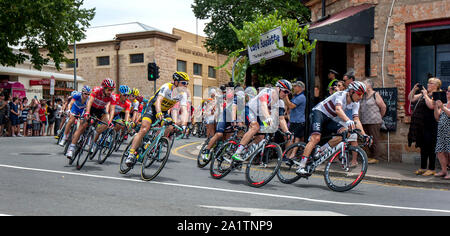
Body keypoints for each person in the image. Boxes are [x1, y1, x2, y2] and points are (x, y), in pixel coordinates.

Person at [296, 81, 371, 175]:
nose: (360, 97)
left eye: (362, 95)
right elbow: (338, 109)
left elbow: (357, 120)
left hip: (331, 118)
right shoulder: (341, 95)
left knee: (347, 132)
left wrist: (364, 134)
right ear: (351, 91)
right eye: (359, 94)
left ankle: (321, 150)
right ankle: (301, 166)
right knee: (316, 138)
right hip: (319, 113)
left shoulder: (356, 103)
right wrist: (348, 120)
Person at [125, 72, 189, 167]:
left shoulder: (183, 94)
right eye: (183, 83)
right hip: (153, 108)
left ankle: (154, 141)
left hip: (163, 111)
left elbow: (184, 110)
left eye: (187, 83)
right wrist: (158, 112)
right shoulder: (167, 87)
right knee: (144, 129)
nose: (186, 85)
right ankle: (131, 154)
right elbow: (158, 100)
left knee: (171, 126)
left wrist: (184, 125)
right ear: (176, 82)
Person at [231, 79, 292, 162]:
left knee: (261, 137)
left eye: (288, 93)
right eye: (285, 91)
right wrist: (268, 118)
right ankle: (237, 152)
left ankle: (246, 149)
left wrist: (287, 131)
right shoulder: (266, 92)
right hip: (251, 110)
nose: (286, 94)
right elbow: (263, 106)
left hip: (261, 116)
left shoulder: (280, 103)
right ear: (278, 88)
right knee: (255, 127)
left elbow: (281, 119)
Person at [66, 79, 117, 159]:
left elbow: (112, 109)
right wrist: (87, 113)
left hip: (100, 110)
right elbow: (89, 102)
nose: (110, 91)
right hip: (91, 107)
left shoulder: (112, 97)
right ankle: (71, 148)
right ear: (103, 87)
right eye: (108, 89)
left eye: (112, 90)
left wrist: (110, 121)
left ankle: (93, 137)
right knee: (83, 126)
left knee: (107, 123)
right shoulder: (96, 90)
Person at [408, 78, 441, 176]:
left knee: (430, 147)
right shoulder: (424, 94)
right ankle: (422, 167)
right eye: (428, 82)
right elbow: (411, 98)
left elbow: (431, 106)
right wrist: (414, 89)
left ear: (436, 85)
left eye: (431, 83)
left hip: (431, 124)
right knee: (423, 146)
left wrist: (426, 95)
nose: (428, 84)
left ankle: (431, 168)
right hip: (422, 125)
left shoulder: (438, 94)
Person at [359, 79, 387, 164]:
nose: (362, 86)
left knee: (374, 139)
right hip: (364, 121)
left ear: (369, 86)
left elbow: (383, 107)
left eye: (364, 84)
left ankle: (375, 157)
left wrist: (380, 117)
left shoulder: (375, 94)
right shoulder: (363, 96)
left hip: (374, 121)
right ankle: (370, 156)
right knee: (367, 139)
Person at [434, 85, 450, 179]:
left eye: (449, 91)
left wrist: (442, 107)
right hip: (442, 131)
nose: (447, 92)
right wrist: (436, 107)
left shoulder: (445, 105)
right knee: (440, 151)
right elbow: (437, 118)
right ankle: (444, 170)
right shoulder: (444, 103)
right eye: (447, 91)